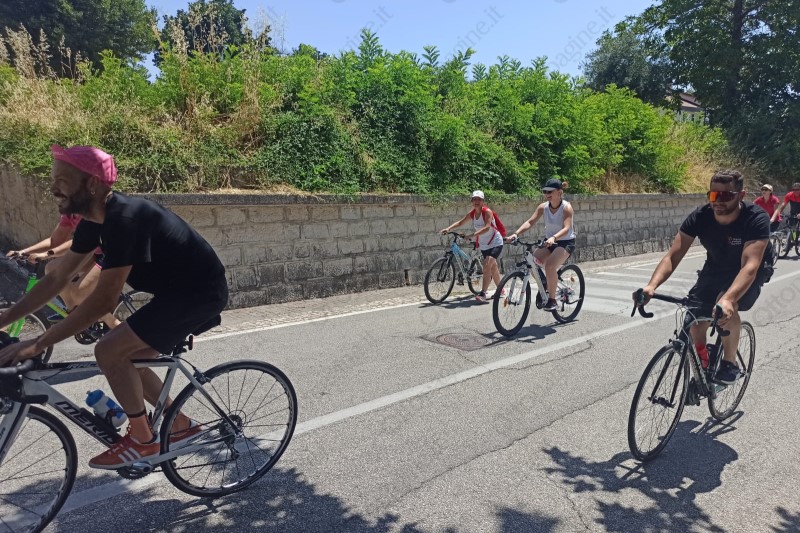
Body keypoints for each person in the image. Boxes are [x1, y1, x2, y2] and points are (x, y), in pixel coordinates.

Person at [0, 145, 228, 469]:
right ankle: (180, 424)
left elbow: (103, 301)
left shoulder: (126, 219)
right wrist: (6, 318)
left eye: (62, 180)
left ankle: (143, 441)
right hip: (173, 292)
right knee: (129, 359)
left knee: (109, 351)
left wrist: (38, 343)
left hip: (199, 293)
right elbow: (56, 279)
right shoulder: (94, 222)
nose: (53, 188)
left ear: (92, 184)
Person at [632, 169, 772, 385]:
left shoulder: (755, 218)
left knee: (724, 305)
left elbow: (750, 266)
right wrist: (651, 286)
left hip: (750, 270)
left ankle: (730, 363)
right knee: (696, 321)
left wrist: (728, 299)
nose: (718, 201)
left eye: (726, 195)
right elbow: (673, 255)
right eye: (714, 195)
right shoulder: (701, 216)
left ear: (741, 195)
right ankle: (703, 370)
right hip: (716, 266)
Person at [6, 214, 120, 330]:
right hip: (93, 252)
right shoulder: (70, 213)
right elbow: (54, 240)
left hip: (113, 253)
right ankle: (71, 311)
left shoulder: (89, 210)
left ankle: (115, 325)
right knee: (52, 269)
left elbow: (79, 241)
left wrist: (47, 254)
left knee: (78, 292)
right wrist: (24, 252)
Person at [505, 178, 576, 311]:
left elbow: (567, 228)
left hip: (565, 242)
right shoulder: (543, 207)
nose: (547, 194)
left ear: (559, 192)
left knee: (550, 266)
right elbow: (530, 222)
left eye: (550, 191)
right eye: (545, 191)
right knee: (532, 261)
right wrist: (516, 234)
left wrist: (554, 237)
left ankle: (552, 300)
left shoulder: (566, 207)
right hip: (549, 241)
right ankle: (544, 283)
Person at [440, 190, 504, 303]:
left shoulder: (487, 212)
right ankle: (501, 289)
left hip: (495, 242)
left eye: (479, 199)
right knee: (493, 268)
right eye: (474, 199)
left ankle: (483, 293)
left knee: (487, 265)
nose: (476, 201)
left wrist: (470, 235)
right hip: (484, 245)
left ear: (483, 201)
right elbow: (461, 222)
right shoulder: (473, 213)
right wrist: (448, 228)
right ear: (472, 201)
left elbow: (487, 228)